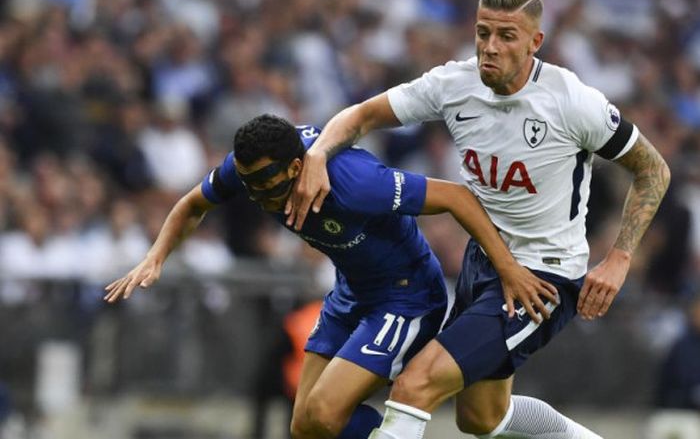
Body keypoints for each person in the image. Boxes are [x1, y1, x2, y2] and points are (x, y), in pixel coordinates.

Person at [285, 0, 671, 438]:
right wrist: (317, 153)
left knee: (415, 385)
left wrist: (620, 257)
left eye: (506, 36)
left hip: (542, 278)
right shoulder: (454, 84)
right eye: (483, 32)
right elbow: (361, 115)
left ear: (535, 42)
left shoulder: (573, 102)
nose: (490, 47)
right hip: (483, 264)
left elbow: (654, 169)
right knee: (481, 417)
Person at [104, 114, 554, 439]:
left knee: (326, 408)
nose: (260, 198)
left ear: (298, 167)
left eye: (269, 186)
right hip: (349, 294)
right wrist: (156, 256)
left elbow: (457, 197)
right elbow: (192, 205)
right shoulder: (249, 168)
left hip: (406, 296)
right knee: (307, 425)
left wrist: (508, 269)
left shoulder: (355, 183)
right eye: (250, 187)